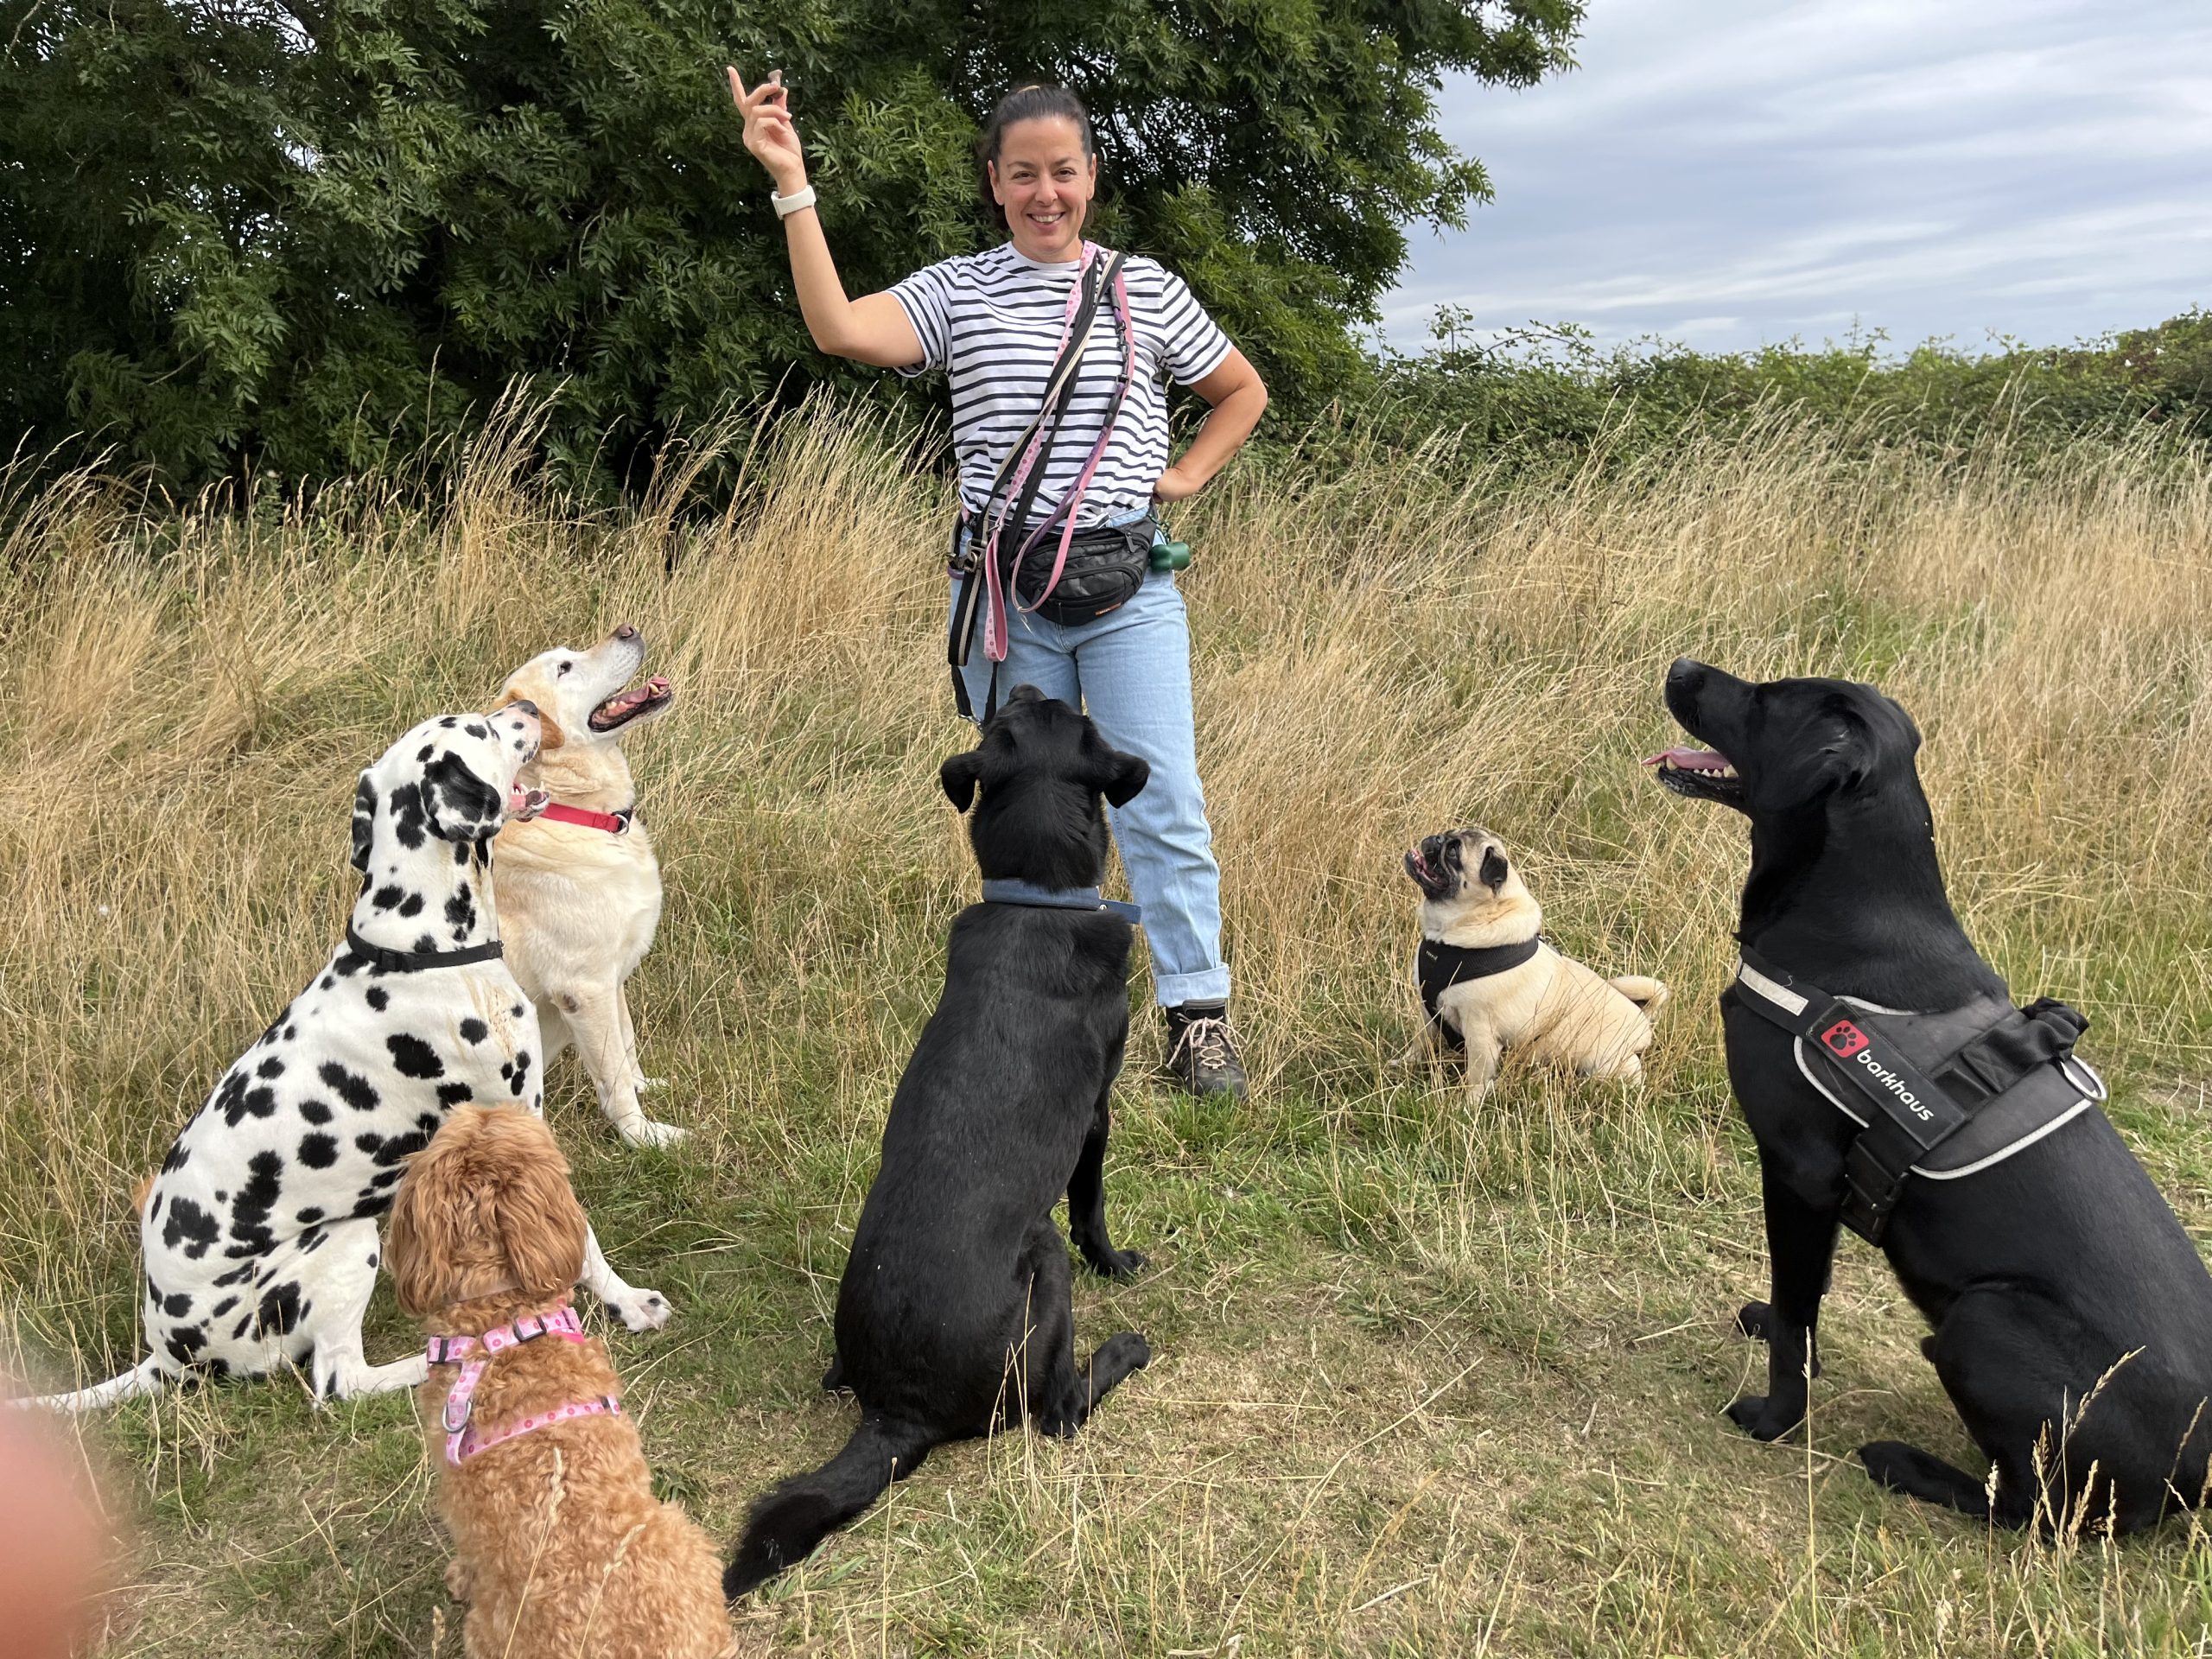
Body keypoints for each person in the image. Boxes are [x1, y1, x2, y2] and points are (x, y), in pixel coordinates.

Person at [727, 70, 1268, 1101]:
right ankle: (1030, 1004)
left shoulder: (1143, 289)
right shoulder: (957, 291)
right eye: (1023, 175)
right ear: (995, 181)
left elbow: (1239, 390)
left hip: (1128, 591)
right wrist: (792, 183)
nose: (1045, 193)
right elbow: (840, 329)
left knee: (1161, 803)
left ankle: (1197, 1018)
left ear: (1091, 176)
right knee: (1024, 805)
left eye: (1063, 171)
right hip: (1006, 594)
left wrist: (1184, 475)